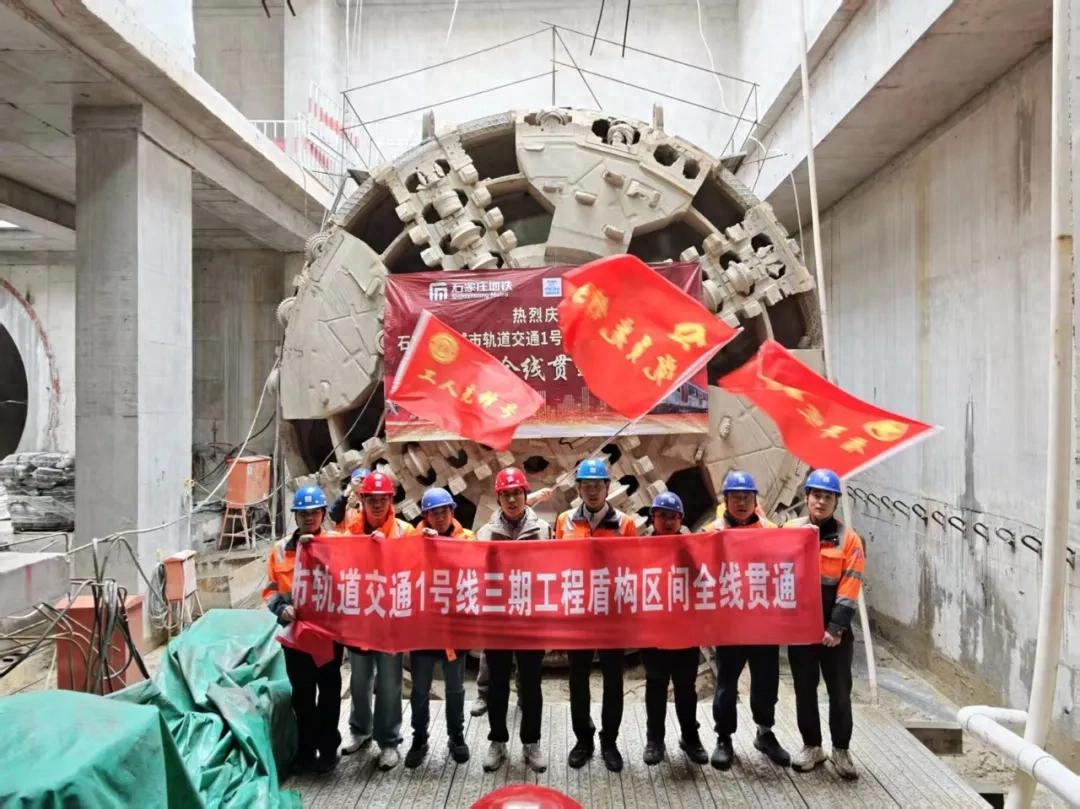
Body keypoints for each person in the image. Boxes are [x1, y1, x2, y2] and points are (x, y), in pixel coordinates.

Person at [554, 457, 637, 773]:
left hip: (611, 615)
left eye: (597, 486)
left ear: (607, 487)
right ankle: (583, 740)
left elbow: (634, 569)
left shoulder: (625, 524)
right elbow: (554, 564)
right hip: (578, 614)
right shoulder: (564, 521)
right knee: (578, 679)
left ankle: (610, 741)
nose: (591, 491)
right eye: (586, 486)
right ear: (578, 489)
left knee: (613, 679)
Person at [785, 468, 864, 780]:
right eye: (816, 495)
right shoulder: (790, 530)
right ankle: (812, 747)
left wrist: (835, 628)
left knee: (840, 692)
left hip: (835, 632)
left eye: (827, 497)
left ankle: (841, 750)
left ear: (836, 502)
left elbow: (850, 585)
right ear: (806, 498)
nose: (820, 501)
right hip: (800, 630)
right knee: (804, 690)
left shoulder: (849, 539)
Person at [710, 470, 791, 771]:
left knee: (766, 680)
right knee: (726, 684)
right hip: (729, 623)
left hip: (762, 622)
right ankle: (724, 738)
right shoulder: (712, 532)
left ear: (755, 499)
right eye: (735, 497)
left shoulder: (771, 531)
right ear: (726, 500)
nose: (741, 503)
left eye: (747, 497)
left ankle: (765, 733)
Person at [339, 469, 418, 770]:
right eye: (371, 499)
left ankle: (389, 741)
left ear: (390, 500)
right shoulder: (350, 535)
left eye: (382, 499)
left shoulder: (404, 532)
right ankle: (360, 730)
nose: (376, 505)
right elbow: (339, 569)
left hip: (390, 623)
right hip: (360, 621)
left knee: (389, 682)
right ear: (362, 500)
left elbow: (417, 569)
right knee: (359, 680)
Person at [475, 467, 551, 774]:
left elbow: (554, 572)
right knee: (497, 685)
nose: (511, 499)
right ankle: (497, 741)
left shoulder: (543, 530)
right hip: (498, 621)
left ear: (525, 494)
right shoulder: (484, 533)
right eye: (505, 494)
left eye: (516, 493)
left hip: (531, 621)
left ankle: (531, 742)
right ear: (498, 498)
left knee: (531, 684)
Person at [263, 485, 344, 774]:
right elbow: (270, 590)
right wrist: (281, 609)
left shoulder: (337, 544)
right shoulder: (280, 550)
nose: (309, 518)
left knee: (330, 693)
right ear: (295, 516)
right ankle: (306, 750)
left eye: (314, 512)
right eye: (303, 513)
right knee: (302, 695)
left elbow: (354, 576)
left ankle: (328, 749)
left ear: (323, 514)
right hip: (295, 637)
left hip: (327, 636)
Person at [639, 492, 709, 766]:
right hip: (654, 632)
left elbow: (704, 581)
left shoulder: (693, 547)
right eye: (662, 516)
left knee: (686, 688)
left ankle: (690, 737)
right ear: (653, 518)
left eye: (673, 516)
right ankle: (654, 740)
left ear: (681, 519)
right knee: (656, 686)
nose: (667, 521)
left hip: (685, 633)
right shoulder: (639, 548)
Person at [406, 487, 473, 768]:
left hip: (455, 630)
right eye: (434, 513)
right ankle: (419, 737)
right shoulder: (412, 541)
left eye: (444, 511)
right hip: (423, 629)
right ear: (426, 516)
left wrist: (444, 548)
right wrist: (423, 546)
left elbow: (473, 570)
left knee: (455, 688)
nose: (440, 517)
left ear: (452, 512)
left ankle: (456, 736)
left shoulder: (467, 538)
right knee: (420, 689)